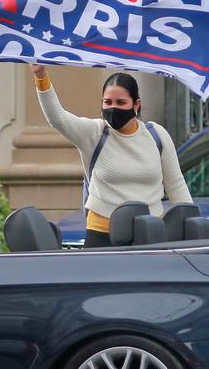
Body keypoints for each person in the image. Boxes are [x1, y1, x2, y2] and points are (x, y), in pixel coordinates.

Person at [31, 64, 192, 248]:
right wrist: (41, 76)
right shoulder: (94, 133)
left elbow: (176, 185)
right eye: (108, 102)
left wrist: (193, 228)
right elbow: (57, 117)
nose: (113, 108)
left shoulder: (157, 135)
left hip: (150, 234)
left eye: (121, 102)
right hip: (102, 235)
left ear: (136, 104)